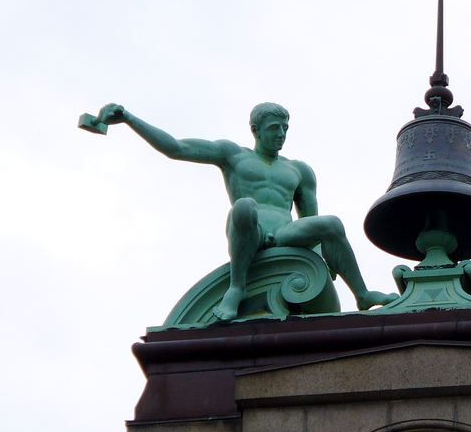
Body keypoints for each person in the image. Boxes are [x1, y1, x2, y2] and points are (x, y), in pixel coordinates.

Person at [95, 102, 397, 320]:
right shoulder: (233, 155)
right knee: (244, 206)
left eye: (285, 128)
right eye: (274, 128)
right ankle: (236, 287)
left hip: (285, 234)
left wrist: (319, 262)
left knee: (332, 223)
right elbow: (175, 148)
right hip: (250, 230)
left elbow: (310, 219)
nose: (281, 134)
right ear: (255, 130)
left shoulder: (299, 170)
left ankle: (362, 294)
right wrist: (129, 118)